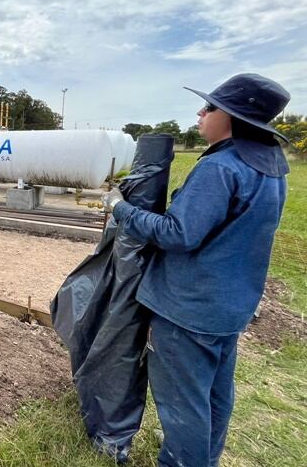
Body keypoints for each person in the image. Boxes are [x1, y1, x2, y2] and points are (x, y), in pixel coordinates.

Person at [102, 73, 290, 467]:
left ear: (234, 118)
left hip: (187, 308)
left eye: (210, 107)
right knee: (214, 395)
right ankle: (205, 458)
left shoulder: (221, 168)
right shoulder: (271, 167)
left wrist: (121, 209)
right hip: (229, 306)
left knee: (182, 404)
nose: (200, 112)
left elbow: (177, 233)